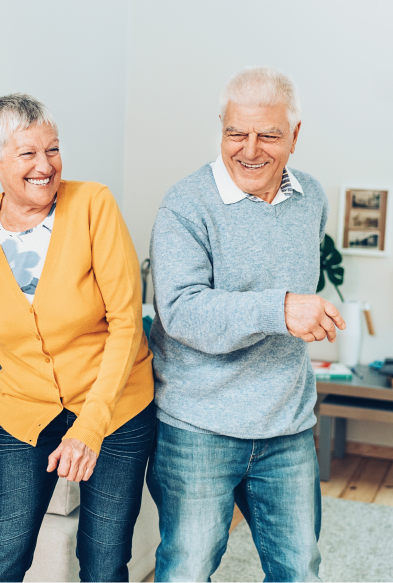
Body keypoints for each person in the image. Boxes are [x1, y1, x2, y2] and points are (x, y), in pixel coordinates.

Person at [0, 93, 155, 583]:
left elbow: (127, 323)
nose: (46, 166)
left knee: (104, 564)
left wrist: (90, 426)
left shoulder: (94, 205)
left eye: (53, 150)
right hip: (25, 409)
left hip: (116, 407)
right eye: (28, 154)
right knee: (1, 557)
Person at [147, 67, 346, 583]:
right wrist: (279, 309)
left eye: (268, 135)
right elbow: (182, 311)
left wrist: (297, 312)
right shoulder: (185, 205)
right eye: (236, 133)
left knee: (300, 571)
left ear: (295, 136)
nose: (249, 149)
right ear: (222, 129)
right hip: (198, 428)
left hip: (287, 427)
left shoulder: (312, 200)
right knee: (186, 573)